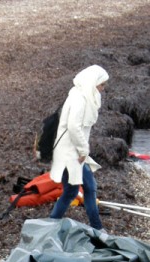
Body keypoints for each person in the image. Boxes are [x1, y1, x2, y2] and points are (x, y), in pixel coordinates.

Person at [48, 65, 109, 230]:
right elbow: (74, 127)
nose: (103, 89)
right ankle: (97, 228)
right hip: (71, 153)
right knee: (88, 188)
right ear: (92, 82)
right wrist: (83, 150)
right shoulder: (79, 99)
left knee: (72, 191)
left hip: (71, 151)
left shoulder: (82, 95)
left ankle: (51, 224)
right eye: (101, 85)